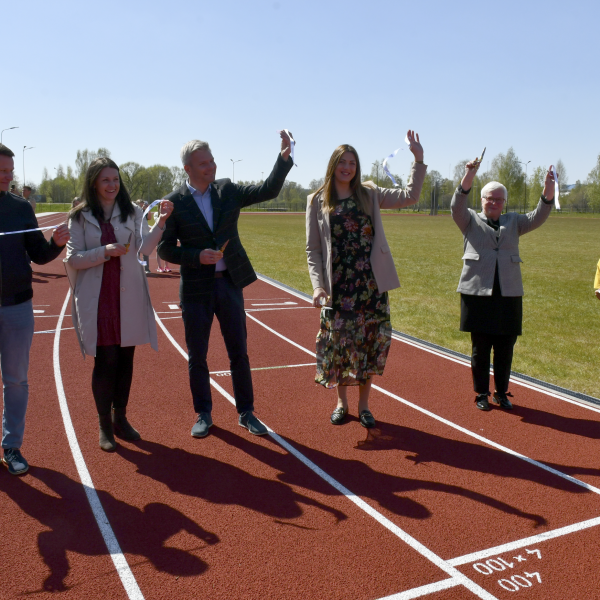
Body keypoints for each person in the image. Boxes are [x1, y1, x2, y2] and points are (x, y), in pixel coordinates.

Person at [158, 131, 294, 438]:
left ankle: (246, 412)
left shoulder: (228, 190)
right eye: (203, 163)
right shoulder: (174, 202)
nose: (211, 166)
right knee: (197, 355)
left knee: (239, 352)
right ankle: (203, 414)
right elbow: (165, 249)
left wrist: (283, 159)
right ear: (188, 168)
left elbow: (268, 189)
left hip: (230, 284)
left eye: (212, 160)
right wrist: (196, 256)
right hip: (196, 289)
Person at [306, 133, 427, 428]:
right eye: (342, 162)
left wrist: (418, 160)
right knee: (340, 346)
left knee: (368, 344)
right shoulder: (316, 200)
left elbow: (410, 196)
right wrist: (318, 285)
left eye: (352, 163)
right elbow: (313, 249)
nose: (347, 168)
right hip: (338, 287)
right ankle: (341, 403)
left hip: (370, 285)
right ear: (333, 165)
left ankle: (364, 406)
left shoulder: (369, 193)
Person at [65, 158, 173, 451]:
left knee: (126, 360)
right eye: (105, 180)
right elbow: (73, 258)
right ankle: (104, 424)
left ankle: (120, 418)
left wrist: (161, 223)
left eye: (115, 179)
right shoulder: (79, 216)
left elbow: (144, 249)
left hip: (128, 294)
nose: (112, 185)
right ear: (93, 183)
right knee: (106, 360)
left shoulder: (133, 211)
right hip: (99, 297)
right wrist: (104, 251)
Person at [451, 159, 556, 411]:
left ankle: (501, 392)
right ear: (482, 200)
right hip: (478, 293)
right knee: (480, 348)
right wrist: (469, 175)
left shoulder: (514, 222)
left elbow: (539, 216)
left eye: (499, 199)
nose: (494, 203)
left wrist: (548, 189)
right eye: (489, 198)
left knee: (505, 348)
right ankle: (481, 393)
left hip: (508, 293)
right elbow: (457, 205)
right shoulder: (469, 220)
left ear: (504, 202)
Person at [0, 144, 69, 474]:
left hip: (17, 306)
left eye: (10, 171)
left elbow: (39, 254)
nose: (8, 177)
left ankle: (11, 446)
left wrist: (56, 243)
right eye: (2, 171)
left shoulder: (20, 208)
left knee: (15, 381)